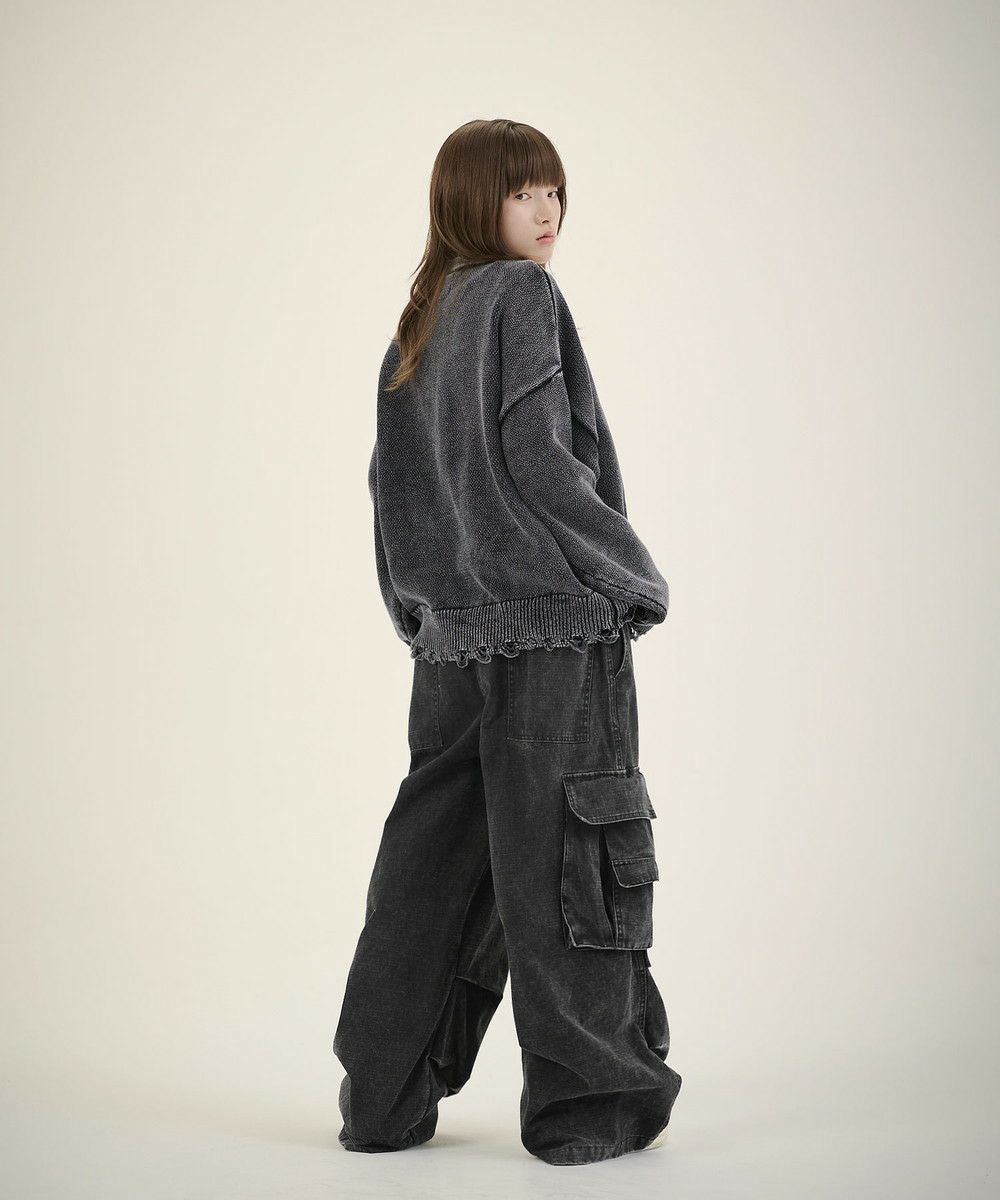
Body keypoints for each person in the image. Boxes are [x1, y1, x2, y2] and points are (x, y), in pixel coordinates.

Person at [331, 118, 682, 1167]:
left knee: (433, 862)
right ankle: (591, 1107)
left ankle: (382, 1098)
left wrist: (418, 615)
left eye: (554, 191)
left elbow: (390, 493)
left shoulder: (419, 323)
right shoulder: (521, 295)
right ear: (467, 201)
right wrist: (627, 574)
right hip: (552, 627)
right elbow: (538, 457)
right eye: (521, 192)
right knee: (573, 857)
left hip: (453, 644)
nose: (546, 212)